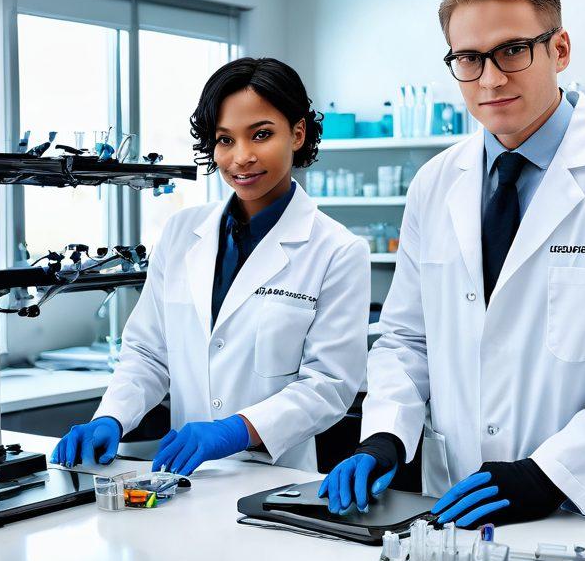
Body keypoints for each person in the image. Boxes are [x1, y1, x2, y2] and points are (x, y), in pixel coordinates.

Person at [320, 0, 585, 527]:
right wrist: (385, 434)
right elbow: (407, 338)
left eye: (512, 50)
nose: (490, 78)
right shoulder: (436, 183)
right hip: (456, 500)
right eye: (468, 58)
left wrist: (551, 473)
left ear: (560, 49)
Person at [51, 57, 370, 475]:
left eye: (261, 135)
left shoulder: (338, 250)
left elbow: (329, 386)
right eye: (225, 140)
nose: (242, 157)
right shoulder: (182, 233)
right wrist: (111, 416)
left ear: (297, 133)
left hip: (275, 480)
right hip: (184, 478)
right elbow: (148, 352)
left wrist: (235, 430)